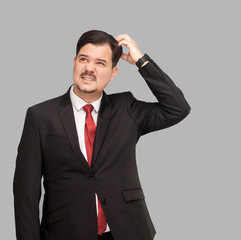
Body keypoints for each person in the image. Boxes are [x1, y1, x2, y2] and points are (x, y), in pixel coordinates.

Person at [13, 30, 191, 240]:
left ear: (113, 72)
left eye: (100, 63)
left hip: (127, 231)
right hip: (66, 233)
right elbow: (26, 192)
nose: (89, 68)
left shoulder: (126, 109)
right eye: (84, 59)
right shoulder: (40, 116)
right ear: (74, 62)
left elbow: (177, 108)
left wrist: (142, 61)